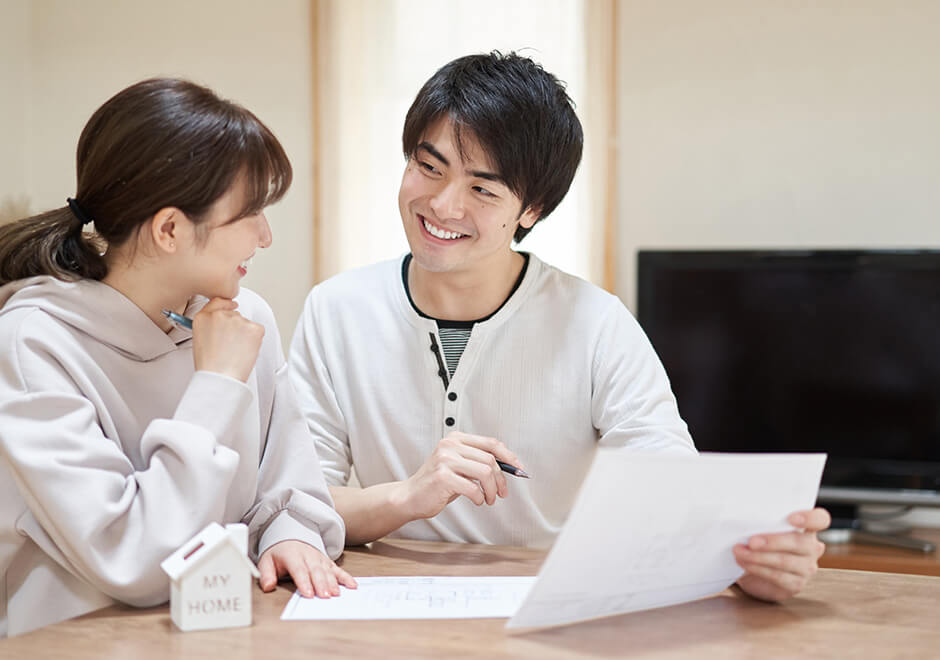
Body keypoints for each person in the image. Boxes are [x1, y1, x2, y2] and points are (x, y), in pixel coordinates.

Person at [288, 52, 830, 603]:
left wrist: (748, 559)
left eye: (483, 189)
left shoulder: (595, 322)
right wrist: (408, 496)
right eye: (429, 167)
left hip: (545, 606)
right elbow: (301, 504)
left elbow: (671, 485)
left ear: (532, 209)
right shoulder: (336, 310)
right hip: (379, 603)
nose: (442, 205)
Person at [0, 78, 355, 638]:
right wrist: (215, 385)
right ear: (169, 229)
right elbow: (133, 561)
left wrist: (293, 533)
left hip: (231, 637)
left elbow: (291, 490)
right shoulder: (34, 345)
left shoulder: (245, 319)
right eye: (251, 214)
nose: (264, 236)